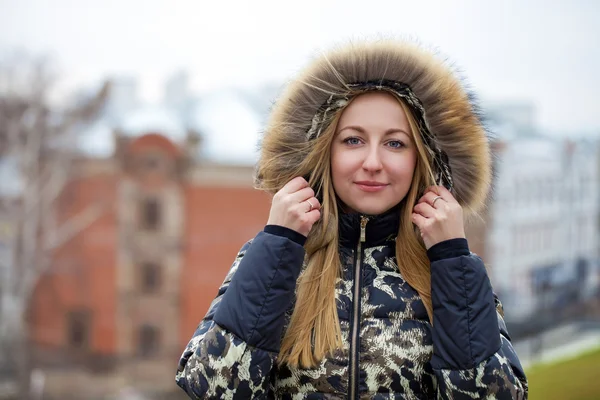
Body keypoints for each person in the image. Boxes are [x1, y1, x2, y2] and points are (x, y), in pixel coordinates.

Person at [176, 39, 528, 399]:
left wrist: (452, 258)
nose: (373, 162)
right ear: (325, 151)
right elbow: (214, 387)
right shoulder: (275, 257)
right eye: (353, 140)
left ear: (421, 159)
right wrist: (279, 241)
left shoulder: (451, 269)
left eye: (395, 143)